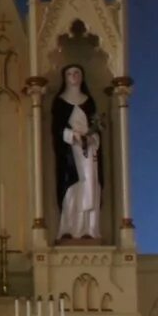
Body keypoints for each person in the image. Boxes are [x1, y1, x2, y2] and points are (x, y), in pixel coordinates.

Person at [52, 63, 102, 241]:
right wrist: (73, 135)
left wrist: (90, 138)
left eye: (77, 73)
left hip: (89, 152)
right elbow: (57, 129)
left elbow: (96, 127)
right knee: (72, 189)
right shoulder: (60, 102)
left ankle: (89, 229)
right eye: (70, 74)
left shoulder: (88, 102)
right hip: (70, 154)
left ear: (82, 77)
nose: (73, 77)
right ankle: (69, 228)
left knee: (90, 187)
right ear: (64, 78)